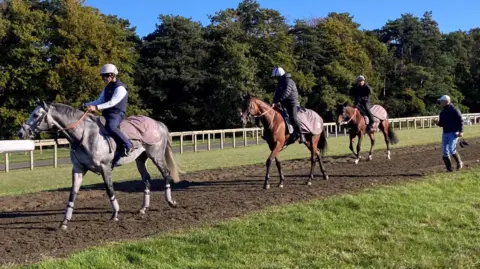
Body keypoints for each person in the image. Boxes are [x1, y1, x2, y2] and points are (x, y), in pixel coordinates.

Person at [84, 64, 133, 168]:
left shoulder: (121, 88)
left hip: (117, 113)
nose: (104, 78)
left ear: (112, 75)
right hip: (106, 113)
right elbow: (100, 100)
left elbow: (112, 102)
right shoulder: (107, 88)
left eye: (105, 76)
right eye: (103, 76)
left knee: (111, 127)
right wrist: (87, 104)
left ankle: (128, 145)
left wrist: (96, 108)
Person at [271, 66, 305, 144]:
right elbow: (277, 94)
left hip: (292, 103)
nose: (275, 79)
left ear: (279, 75)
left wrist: (278, 100)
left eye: (276, 77)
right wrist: (274, 101)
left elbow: (286, 93)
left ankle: (301, 135)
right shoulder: (280, 82)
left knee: (293, 118)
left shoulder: (288, 81)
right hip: (284, 104)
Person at [437, 95, 464, 172]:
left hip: (454, 132)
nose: (440, 103)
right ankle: (449, 169)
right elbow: (442, 124)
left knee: (451, 149)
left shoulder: (455, 110)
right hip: (445, 133)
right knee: (445, 152)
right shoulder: (442, 112)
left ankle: (459, 162)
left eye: (441, 101)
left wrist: (461, 131)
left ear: (446, 102)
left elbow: (461, 121)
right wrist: (437, 123)